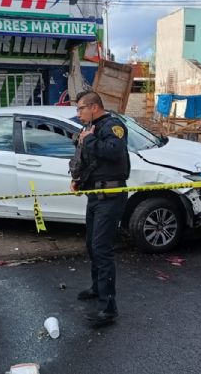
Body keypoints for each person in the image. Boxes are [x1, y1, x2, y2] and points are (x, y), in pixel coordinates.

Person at [70, 91, 130, 326]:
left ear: (94, 107)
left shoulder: (113, 125)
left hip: (111, 195)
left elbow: (114, 152)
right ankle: (97, 288)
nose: (78, 113)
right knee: (91, 245)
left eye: (81, 108)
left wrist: (89, 140)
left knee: (102, 248)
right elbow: (92, 160)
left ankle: (108, 308)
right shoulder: (92, 127)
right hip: (95, 194)